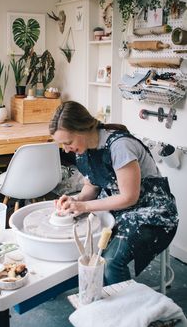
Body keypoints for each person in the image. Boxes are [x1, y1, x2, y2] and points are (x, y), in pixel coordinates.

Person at [49, 100, 178, 285]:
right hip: (119, 209)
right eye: (62, 144)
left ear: (84, 128)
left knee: (110, 263)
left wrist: (84, 205)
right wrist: (74, 200)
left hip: (152, 211)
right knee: (85, 246)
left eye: (68, 142)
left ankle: (125, 311)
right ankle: (103, 295)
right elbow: (91, 188)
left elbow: (129, 197)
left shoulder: (120, 146)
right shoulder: (82, 150)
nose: (66, 149)